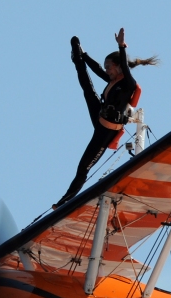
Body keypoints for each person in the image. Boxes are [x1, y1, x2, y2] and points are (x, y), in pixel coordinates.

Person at [54, 28, 158, 208]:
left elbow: (125, 67)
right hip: (100, 117)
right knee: (87, 87)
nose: (107, 70)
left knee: (83, 167)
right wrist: (83, 54)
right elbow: (95, 69)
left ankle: (65, 200)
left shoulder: (128, 84)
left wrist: (122, 46)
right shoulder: (113, 80)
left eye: (109, 67)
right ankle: (76, 57)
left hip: (106, 133)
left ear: (118, 66)